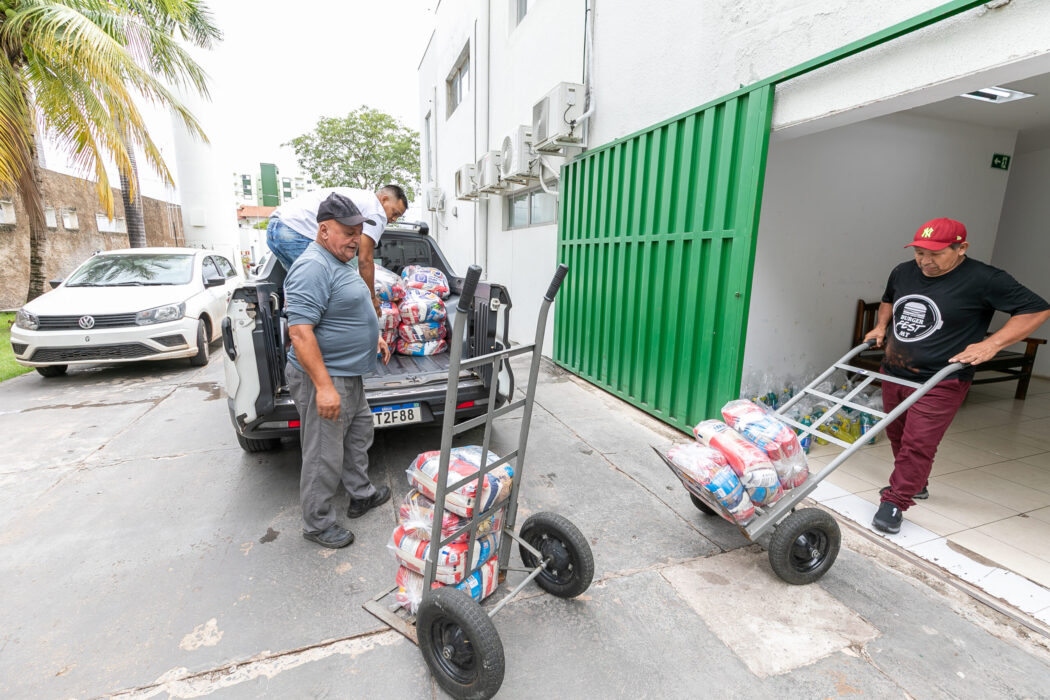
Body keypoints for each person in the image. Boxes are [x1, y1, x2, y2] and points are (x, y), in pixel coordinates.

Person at [864, 217, 1050, 534]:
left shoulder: (985, 279)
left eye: (935, 254)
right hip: (895, 371)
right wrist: (881, 326)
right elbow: (888, 300)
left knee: (917, 443)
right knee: (897, 435)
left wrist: (992, 344)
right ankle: (914, 482)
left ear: (961, 248)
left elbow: (1036, 309)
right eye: (920, 252)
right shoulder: (904, 270)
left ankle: (895, 501)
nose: (925, 261)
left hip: (942, 379)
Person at [284, 192, 394, 548]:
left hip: (350, 373)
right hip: (327, 376)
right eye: (347, 232)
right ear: (323, 230)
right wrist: (324, 388)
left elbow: (349, 306)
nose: (354, 240)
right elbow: (300, 332)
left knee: (359, 433)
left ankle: (360, 493)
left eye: (358, 232)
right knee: (323, 454)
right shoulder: (312, 266)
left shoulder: (340, 259)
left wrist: (372, 336)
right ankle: (317, 523)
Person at [267, 185, 409, 315]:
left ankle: (293, 322)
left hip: (276, 227)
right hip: (296, 230)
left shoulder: (362, 198)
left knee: (300, 286)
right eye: (394, 213)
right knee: (326, 292)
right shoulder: (376, 211)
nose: (394, 219)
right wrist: (371, 300)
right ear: (384, 199)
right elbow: (365, 260)